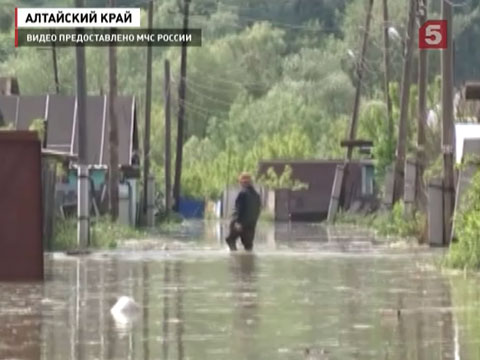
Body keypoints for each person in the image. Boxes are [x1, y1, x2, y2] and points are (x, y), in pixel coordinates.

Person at [225, 172, 261, 251]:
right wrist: (253, 223)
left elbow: (240, 209)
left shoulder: (242, 193)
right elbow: (258, 210)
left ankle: (234, 258)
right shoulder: (256, 195)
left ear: (242, 182)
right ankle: (247, 261)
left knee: (230, 240)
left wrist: (238, 222)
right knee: (248, 246)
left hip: (240, 223)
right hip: (251, 225)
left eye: (241, 182)